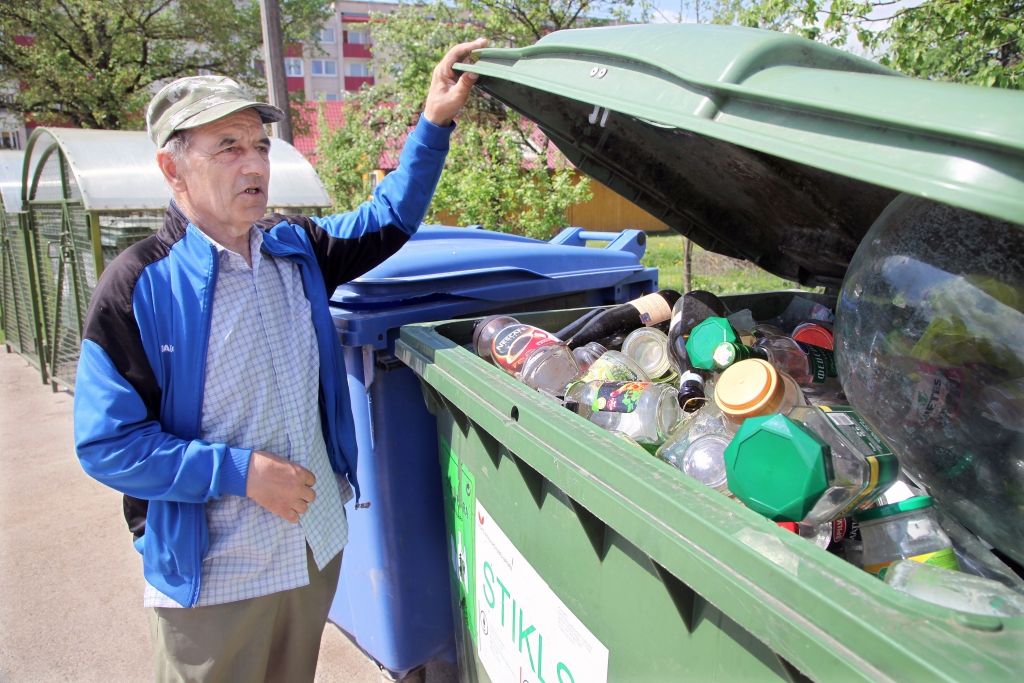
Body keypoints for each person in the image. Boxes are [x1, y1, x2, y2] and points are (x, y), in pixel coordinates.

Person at [73, 38, 487, 683]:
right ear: (172, 167)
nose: (254, 164)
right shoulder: (137, 285)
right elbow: (107, 445)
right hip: (215, 574)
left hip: (312, 546)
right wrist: (241, 472)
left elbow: (391, 217)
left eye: (261, 145)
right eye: (228, 148)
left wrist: (434, 122)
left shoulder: (295, 249)